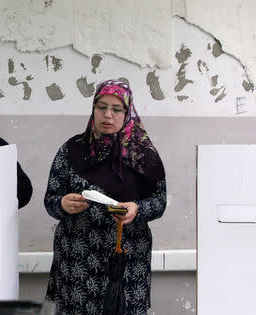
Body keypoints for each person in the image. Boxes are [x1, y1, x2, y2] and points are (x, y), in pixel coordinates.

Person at [44, 79, 166, 314]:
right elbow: (51, 198)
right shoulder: (72, 150)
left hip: (125, 263)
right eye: (101, 107)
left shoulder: (143, 154)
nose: (107, 115)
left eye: (116, 109)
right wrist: (62, 203)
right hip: (77, 262)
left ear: (127, 112)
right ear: (93, 109)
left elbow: (159, 201)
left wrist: (136, 209)